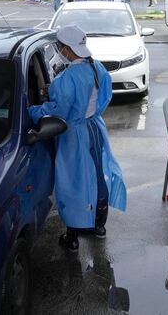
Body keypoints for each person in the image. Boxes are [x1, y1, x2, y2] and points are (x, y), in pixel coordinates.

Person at [29, 25, 127, 251]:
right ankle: (99, 225)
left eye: (60, 47)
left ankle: (72, 235)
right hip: (94, 127)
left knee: (72, 182)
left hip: (73, 134)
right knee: (97, 175)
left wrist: (34, 110)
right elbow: (104, 97)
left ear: (66, 49)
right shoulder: (97, 68)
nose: (59, 50)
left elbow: (59, 111)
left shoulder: (67, 77)